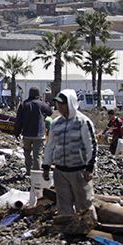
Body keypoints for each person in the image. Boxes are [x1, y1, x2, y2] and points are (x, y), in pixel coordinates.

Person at [43, 90, 98, 224]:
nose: (60, 107)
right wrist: (46, 165)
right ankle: (68, 230)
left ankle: (88, 228)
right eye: (58, 104)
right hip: (60, 171)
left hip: (79, 170)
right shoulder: (56, 123)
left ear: (71, 104)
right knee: (63, 204)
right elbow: (50, 146)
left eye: (63, 104)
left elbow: (91, 145)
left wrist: (90, 168)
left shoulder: (83, 122)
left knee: (84, 203)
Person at [13, 87, 52, 174]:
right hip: (39, 135)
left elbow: (18, 120)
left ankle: (28, 172)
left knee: (27, 153)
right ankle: (36, 173)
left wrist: (17, 132)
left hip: (26, 134)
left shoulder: (23, 105)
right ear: (38, 95)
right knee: (37, 155)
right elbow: (50, 112)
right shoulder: (41, 104)